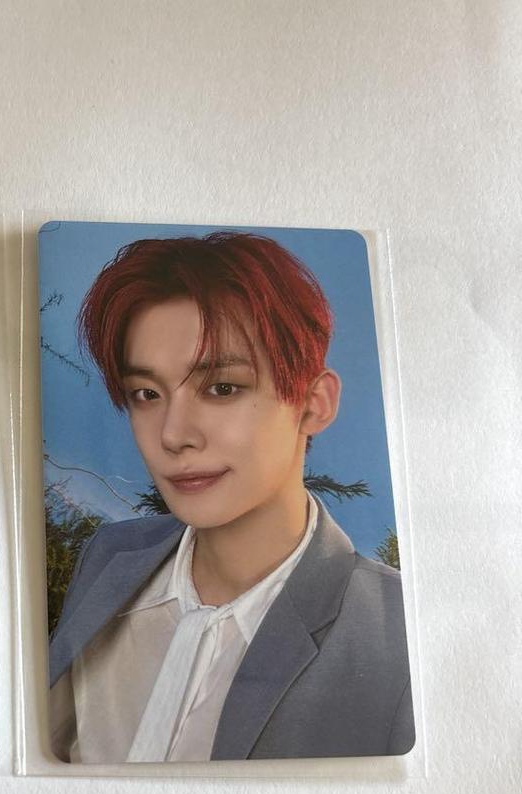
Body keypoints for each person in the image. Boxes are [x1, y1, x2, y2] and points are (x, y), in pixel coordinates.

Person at [48, 233, 414, 763]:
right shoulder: (109, 558)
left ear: (314, 403)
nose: (174, 434)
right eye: (146, 394)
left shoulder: (397, 629)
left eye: (222, 388)